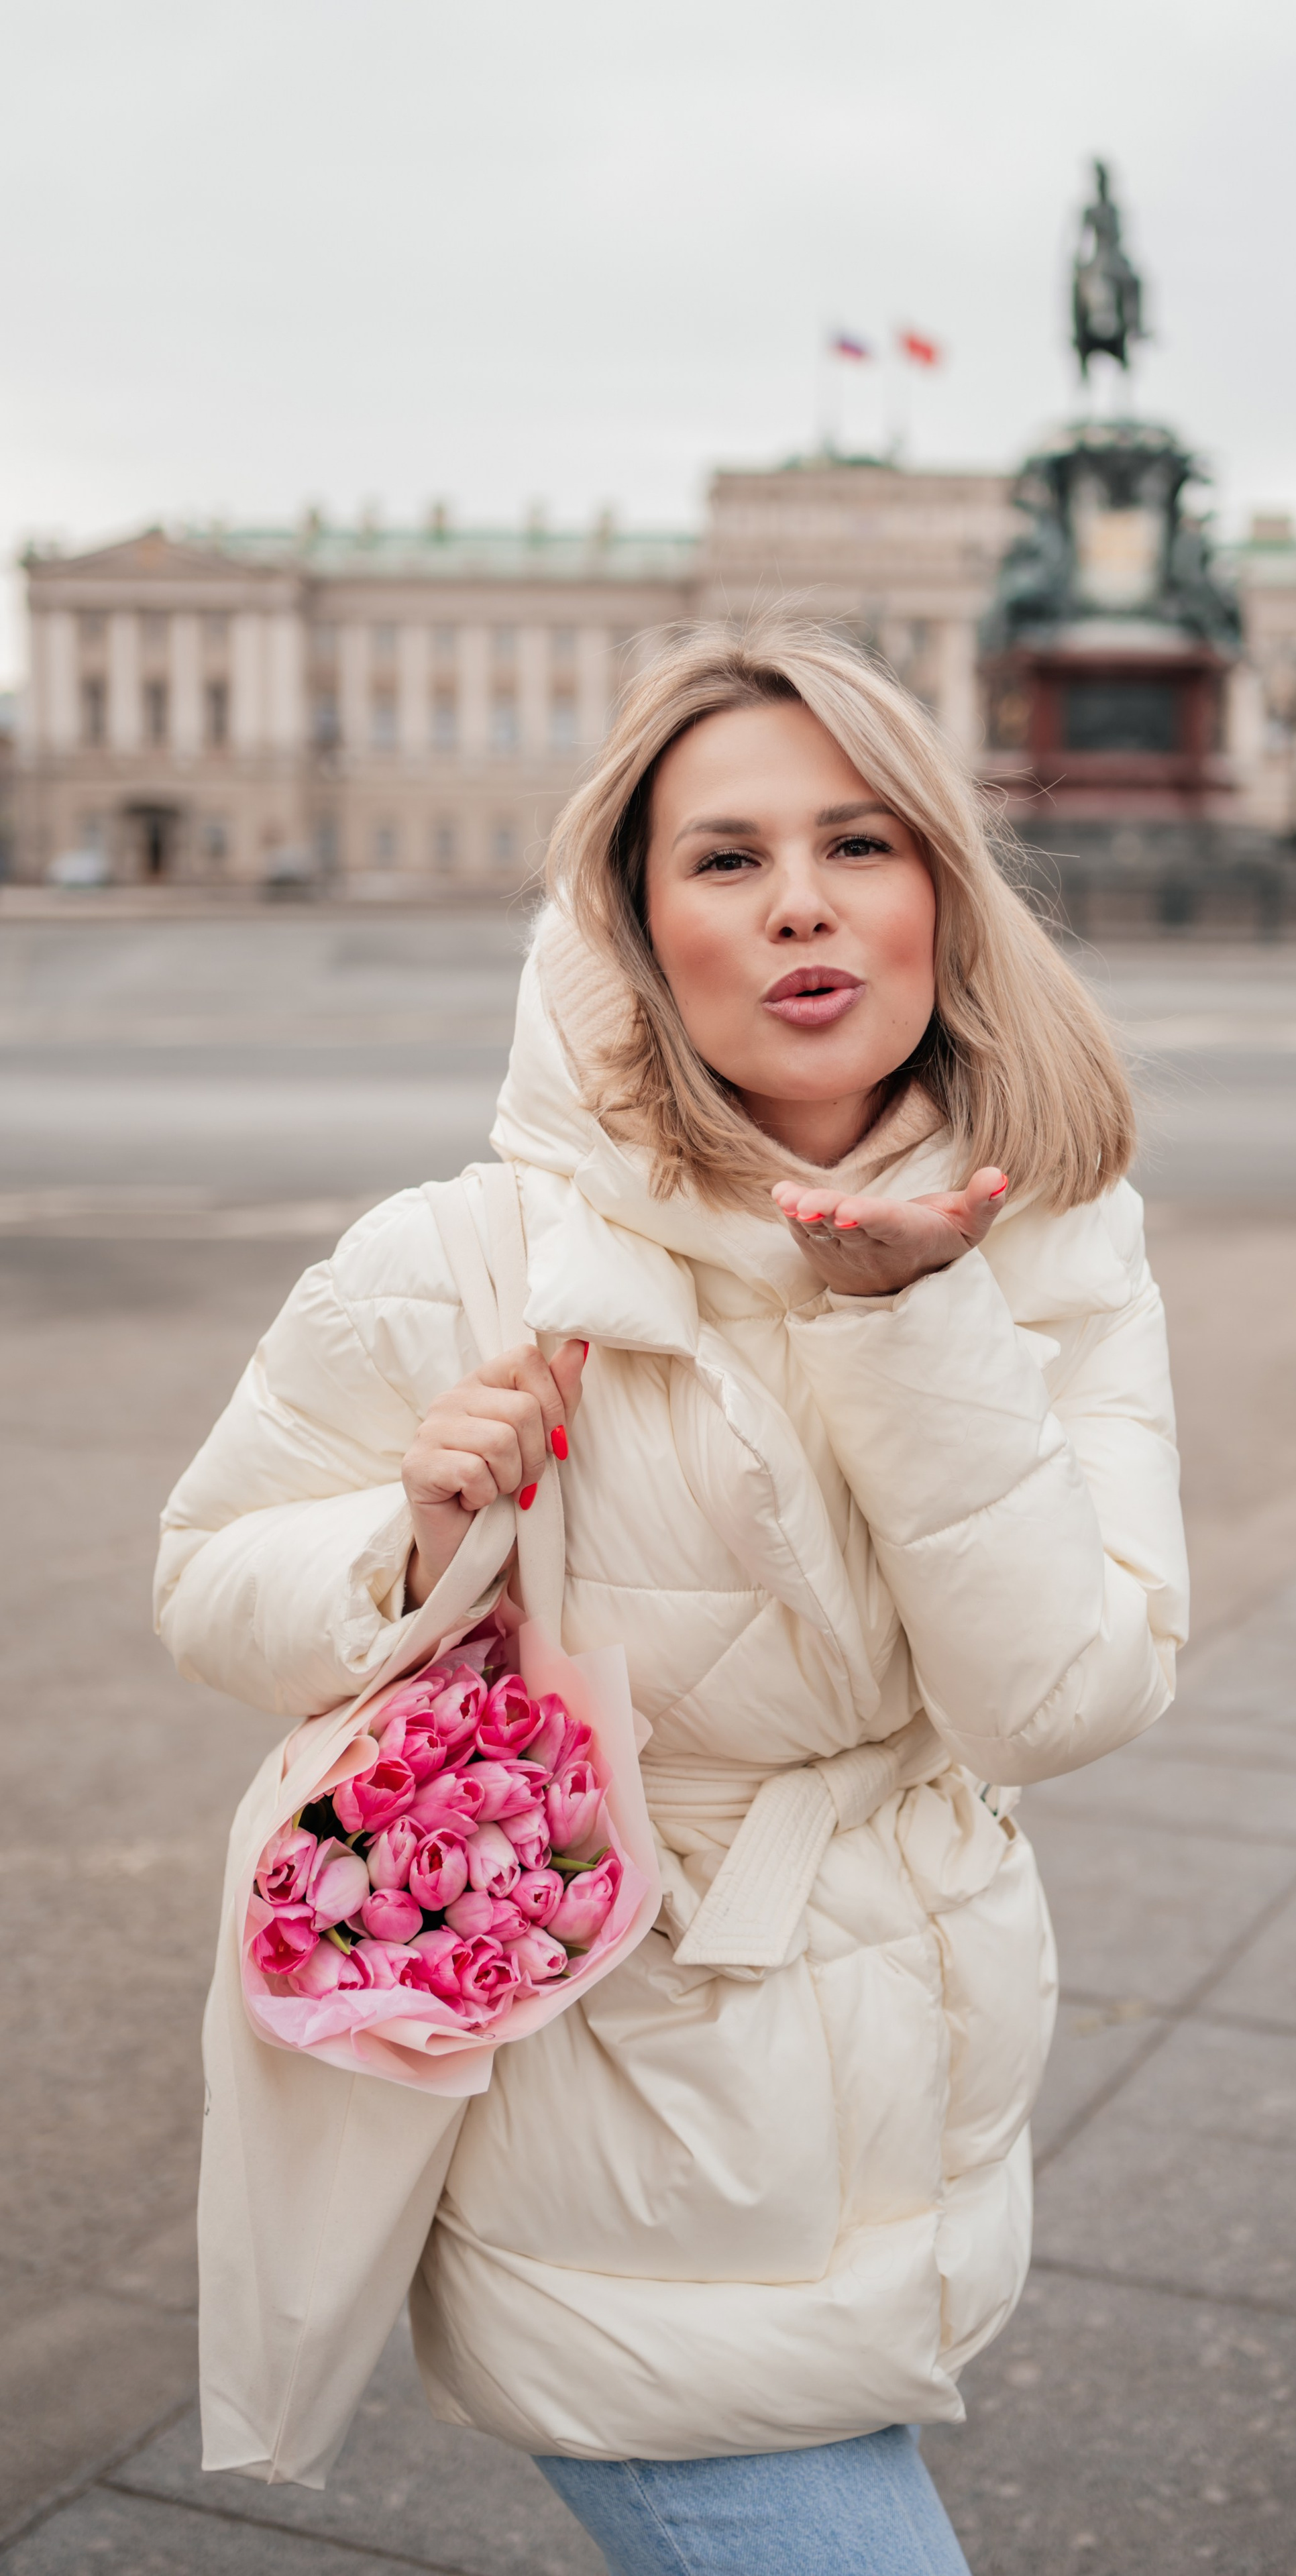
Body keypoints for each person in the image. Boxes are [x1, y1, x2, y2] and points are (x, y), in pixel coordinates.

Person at [156, 622, 1188, 2575]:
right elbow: (207, 1584)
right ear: (632, 923)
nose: (803, 904)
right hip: (620, 2119)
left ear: (944, 895)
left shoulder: (1050, 1234)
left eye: (862, 843)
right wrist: (407, 1532)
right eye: (725, 858)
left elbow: (1061, 1699)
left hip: (925, 2072)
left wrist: (914, 1322)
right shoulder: (462, 1255)